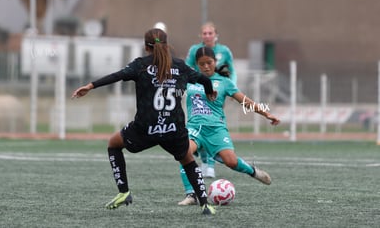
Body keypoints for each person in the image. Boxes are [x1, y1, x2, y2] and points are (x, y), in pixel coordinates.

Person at [72, 28, 217, 215]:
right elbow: (204, 80)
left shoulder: (140, 65)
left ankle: (124, 192)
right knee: (188, 160)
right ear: (166, 44)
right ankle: (205, 204)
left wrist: (90, 86)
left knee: (113, 144)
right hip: (174, 127)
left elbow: (116, 76)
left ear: (145, 46)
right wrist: (209, 91)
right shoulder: (180, 66)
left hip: (146, 127)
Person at [177, 46, 280, 206]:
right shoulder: (190, 80)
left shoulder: (224, 82)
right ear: (196, 64)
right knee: (183, 153)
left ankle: (253, 171)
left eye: (209, 63)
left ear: (215, 62)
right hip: (194, 128)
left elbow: (245, 101)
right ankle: (192, 194)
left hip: (216, 130)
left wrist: (266, 114)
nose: (205, 66)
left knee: (231, 162)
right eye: (201, 63)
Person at [185, 22, 237, 178]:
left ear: (216, 35)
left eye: (210, 33)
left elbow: (232, 70)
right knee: (198, 125)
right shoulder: (195, 50)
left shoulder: (224, 51)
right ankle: (206, 161)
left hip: (218, 90)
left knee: (213, 122)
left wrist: (232, 89)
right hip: (198, 92)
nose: (207, 36)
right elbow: (187, 68)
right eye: (204, 33)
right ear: (201, 35)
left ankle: (210, 163)